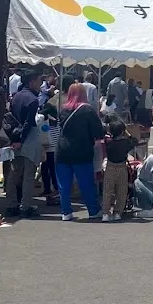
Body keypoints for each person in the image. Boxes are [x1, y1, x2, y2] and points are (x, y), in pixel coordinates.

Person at [56, 83, 105, 221]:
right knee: (86, 183)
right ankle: (93, 210)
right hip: (82, 151)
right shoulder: (88, 110)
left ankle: (66, 212)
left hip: (62, 150)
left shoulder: (63, 109)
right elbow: (98, 132)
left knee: (64, 185)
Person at [3, 70, 43, 217]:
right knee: (28, 174)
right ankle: (25, 206)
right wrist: (21, 140)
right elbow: (28, 123)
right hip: (28, 139)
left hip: (14, 137)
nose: (40, 84)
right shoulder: (33, 99)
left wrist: (15, 140)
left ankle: (11, 203)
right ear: (31, 81)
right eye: (39, 80)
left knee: (14, 173)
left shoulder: (16, 97)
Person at [102, 114, 136, 222]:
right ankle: (117, 213)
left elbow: (104, 132)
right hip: (122, 168)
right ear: (122, 131)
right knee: (122, 191)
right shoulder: (125, 142)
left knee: (108, 191)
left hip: (110, 167)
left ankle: (105, 213)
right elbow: (134, 141)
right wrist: (128, 133)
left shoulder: (108, 142)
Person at [38, 102, 59, 204]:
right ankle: (55, 189)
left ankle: (48, 189)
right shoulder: (58, 121)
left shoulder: (44, 121)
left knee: (45, 170)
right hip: (55, 149)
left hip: (47, 149)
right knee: (52, 171)